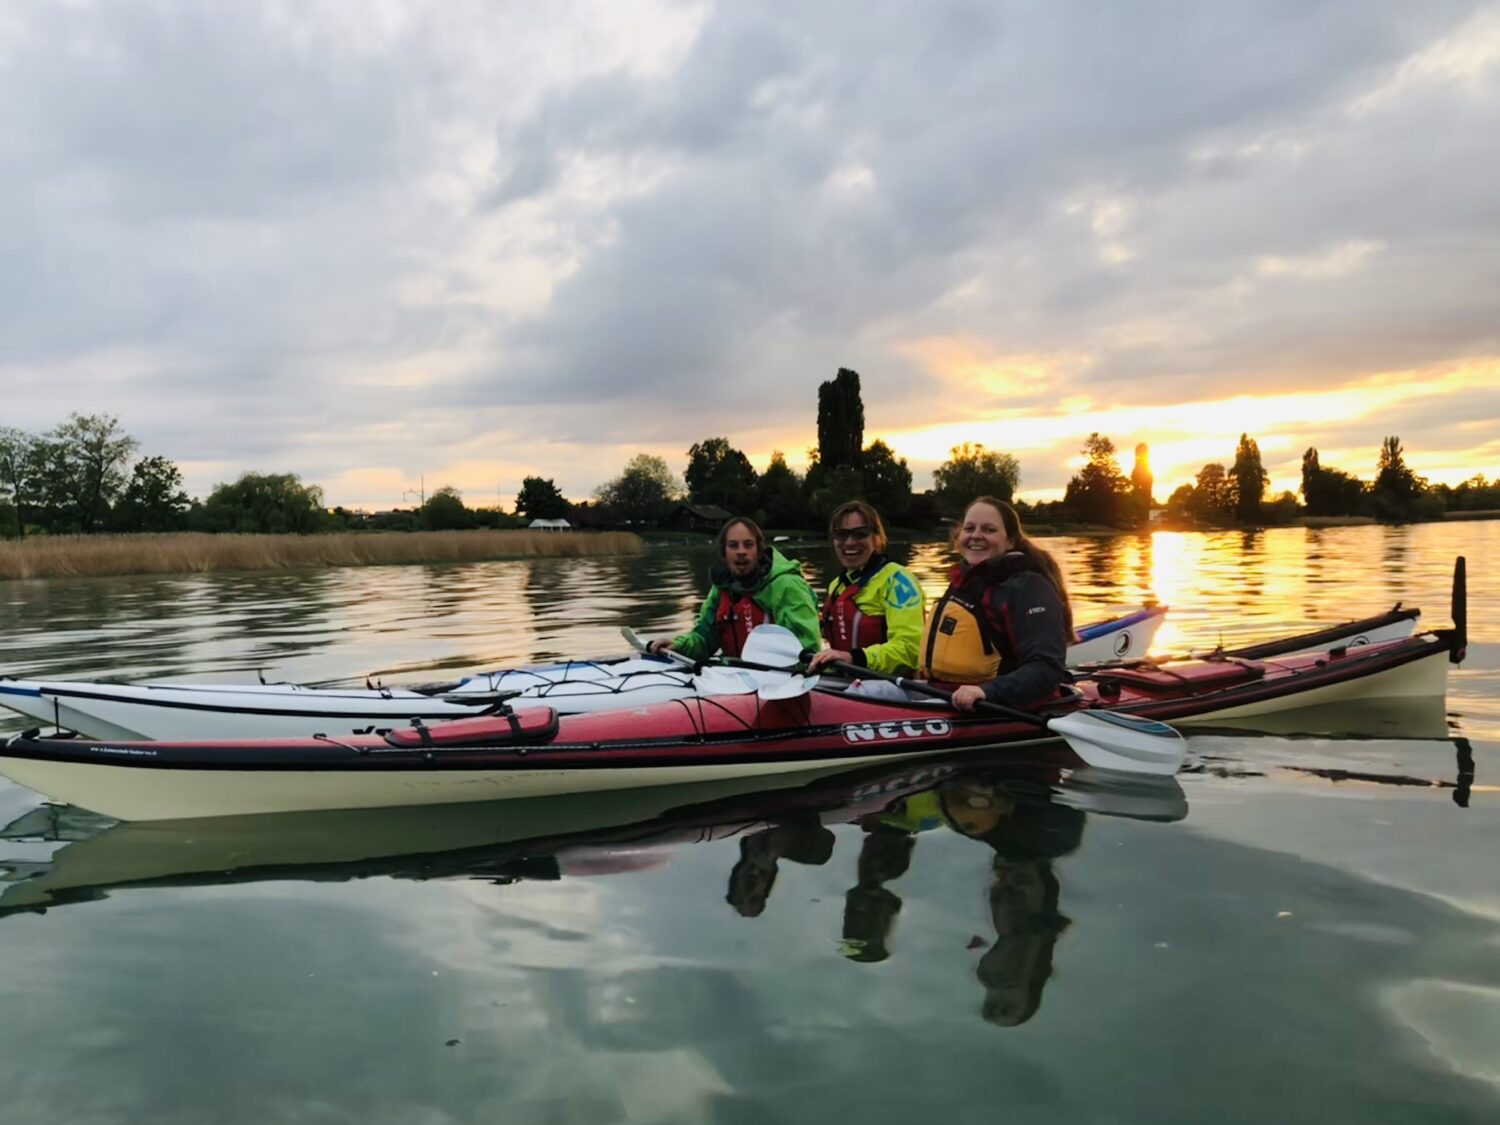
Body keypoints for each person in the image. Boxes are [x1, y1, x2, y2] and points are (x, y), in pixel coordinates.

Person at [921, 497, 1074, 711]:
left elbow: (1046, 668)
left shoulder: (1027, 587)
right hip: (941, 691)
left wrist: (987, 691)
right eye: (969, 528)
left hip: (992, 702)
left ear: (1010, 541)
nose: (976, 535)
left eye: (989, 530)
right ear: (959, 536)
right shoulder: (964, 580)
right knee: (866, 690)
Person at [648, 516, 821, 661]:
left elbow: (807, 646)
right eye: (733, 545)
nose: (741, 552)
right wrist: (678, 646)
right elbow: (703, 638)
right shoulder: (721, 589)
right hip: (733, 679)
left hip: (777, 679)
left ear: (759, 551)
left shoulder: (787, 585)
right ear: (724, 552)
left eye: (748, 545)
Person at [805, 501, 926, 677]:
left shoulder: (898, 582)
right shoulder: (837, 585)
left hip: (891, 686)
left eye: (860, 534)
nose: (850, 542)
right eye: (841, 535)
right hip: (847, 683)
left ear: (877, 538)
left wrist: (854, 658)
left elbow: (911, 649)